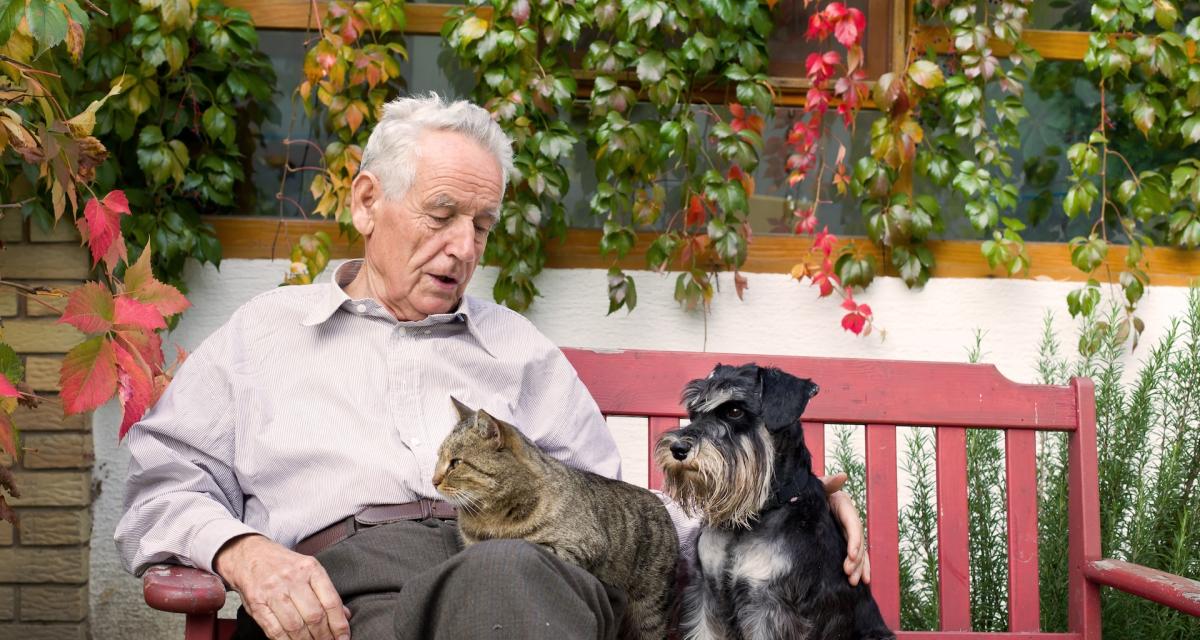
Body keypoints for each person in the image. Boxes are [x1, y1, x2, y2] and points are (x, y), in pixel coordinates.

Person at [116, 93, 869, 640]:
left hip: (536, 584)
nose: (464, 247)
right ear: (367, 202)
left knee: (510, 574)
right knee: (506, 578)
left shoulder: (518, 350)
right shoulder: (264, 334)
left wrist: (788, 505)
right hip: (352, 603)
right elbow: (162, 481)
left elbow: (620, 515)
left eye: (482, 225)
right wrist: (240, 551)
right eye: (441, 215)